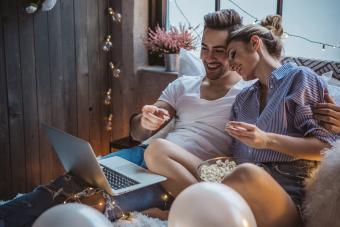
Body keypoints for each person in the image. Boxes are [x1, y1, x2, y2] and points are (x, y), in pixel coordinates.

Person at [145, 15, 338, 227]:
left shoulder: (300, 79)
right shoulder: (243, 99)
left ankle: (180, 212)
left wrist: (267, 140)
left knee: (246, 174)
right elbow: (233, 159)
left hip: (280, 199)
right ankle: (194, 212)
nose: (230, 63)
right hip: (235, 190)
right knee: (157, 149)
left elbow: (326, 148)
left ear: (255, 43)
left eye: (233, 54)